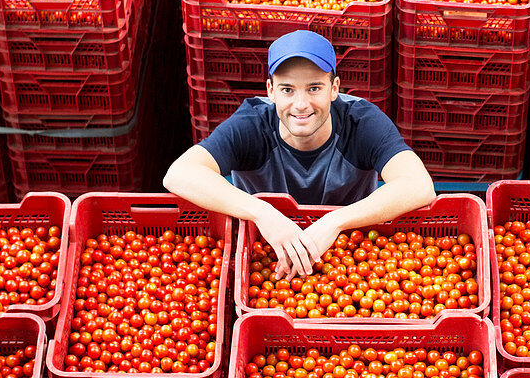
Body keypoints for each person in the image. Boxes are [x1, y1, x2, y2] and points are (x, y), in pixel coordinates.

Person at [164, 29, 436, 280]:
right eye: (287, 90)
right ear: (270, 91)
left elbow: (418, 185)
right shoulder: (252, 124)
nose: (301, 104)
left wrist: (335, 221)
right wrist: (262, 214)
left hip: (351, 254)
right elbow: (180, 173)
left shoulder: (361, 121)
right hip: (265, 253)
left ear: (335, 88)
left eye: (314, 88)